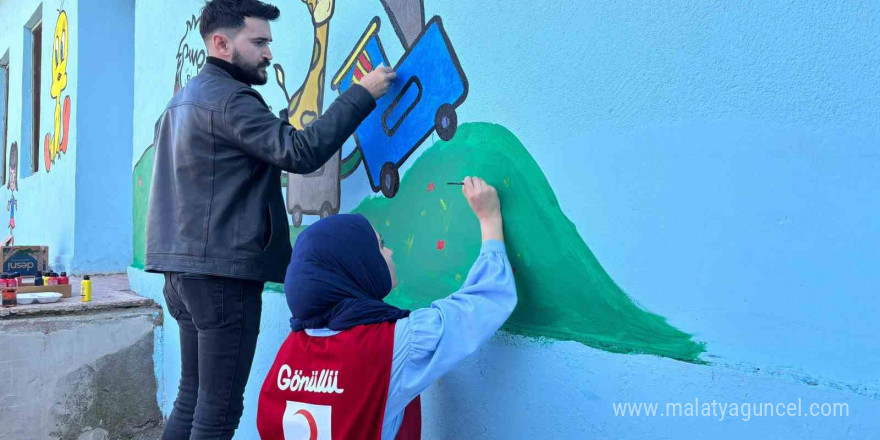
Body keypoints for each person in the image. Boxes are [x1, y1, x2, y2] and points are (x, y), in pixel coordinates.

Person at [144, 0, 396, 438]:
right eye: (258, 42)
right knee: (217, 411)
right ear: (221, 43)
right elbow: (299, 152)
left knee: (192, 395)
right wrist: (362, 94)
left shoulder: (181, 103)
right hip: (222, 277)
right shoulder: (231, 99)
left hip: (181, 275)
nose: (268, 53)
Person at [257, 177, 518, 439]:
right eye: (380, 245)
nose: (391, 252)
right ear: (354, 266)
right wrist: (490, 219)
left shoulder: (292, 348)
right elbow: (485, 301)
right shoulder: (394, 344)